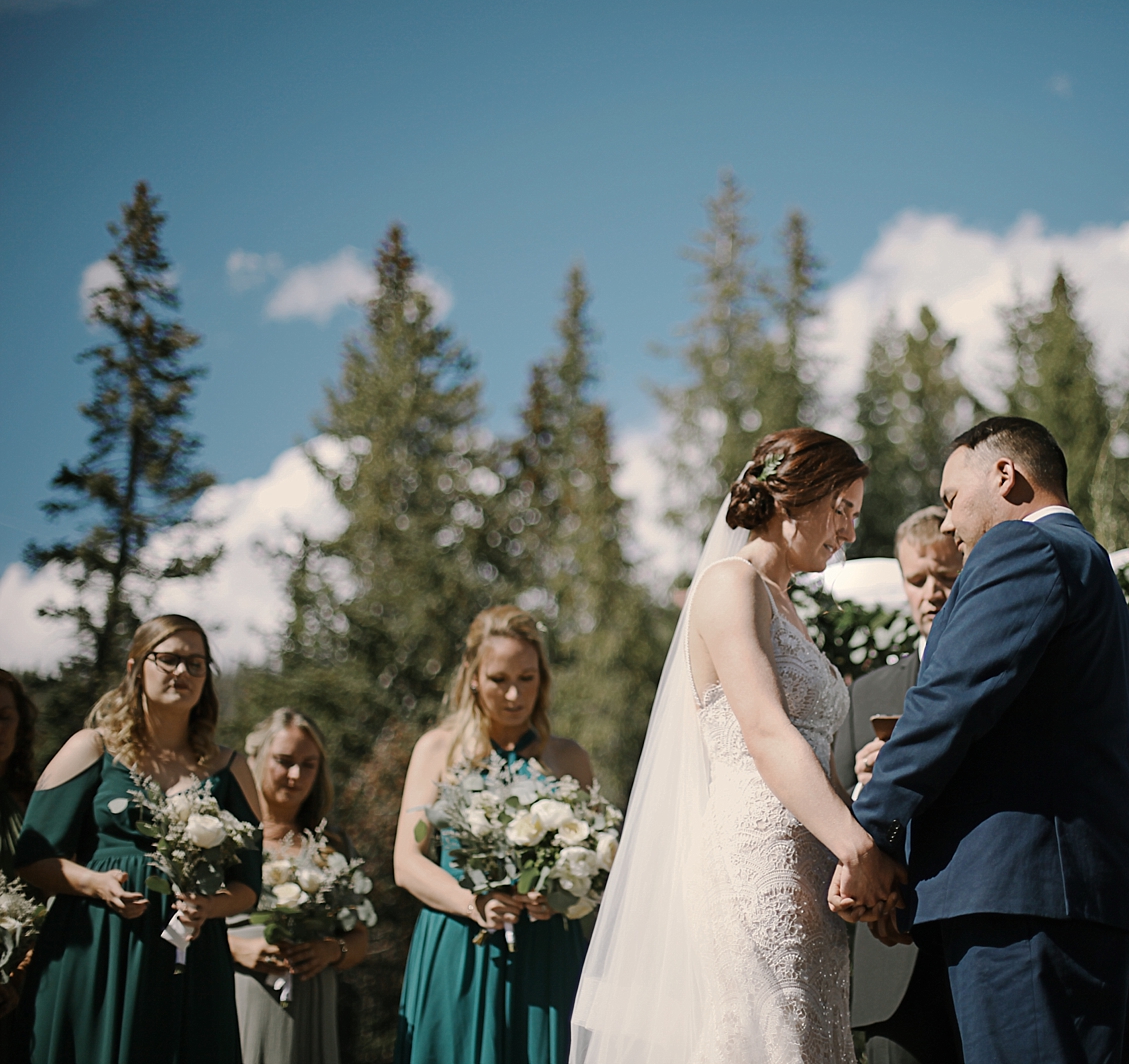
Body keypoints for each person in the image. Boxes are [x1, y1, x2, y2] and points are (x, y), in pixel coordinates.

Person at [836, 416, 1129, 1064]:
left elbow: (950, 698)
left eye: (951, 499)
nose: (947, 526)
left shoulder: (1023, 548)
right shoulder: (1086, 563)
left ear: (1005, 474)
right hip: (1068, 899)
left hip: (1024, 902)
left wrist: (870, 835)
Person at [573, 427, 875, 1064]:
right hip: (753, 861)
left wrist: (852, 821)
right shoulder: (728, 583)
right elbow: (765, 732)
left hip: (812, 860)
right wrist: (857, 845)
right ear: (795, 497)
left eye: (855, 514)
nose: (849, 531)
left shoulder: (788, 606)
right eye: (841, 509)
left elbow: (811, 749)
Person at [16, 614, 264, 1064]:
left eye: (196, 664)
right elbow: (32, 857)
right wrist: (93, 883)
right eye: (168, 659)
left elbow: (248, 886)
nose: (182, 672)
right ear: (135, 667)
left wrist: (210, 906)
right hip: (99, 944)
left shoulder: (230, 768)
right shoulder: (94, 748)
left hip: (192, 957)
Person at [392, 605, 592, 1064]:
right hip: (461, 941)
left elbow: (596, 869)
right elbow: (406, 861)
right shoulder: (438, 750)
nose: (514, 693)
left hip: (546, 951)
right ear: (473, 677)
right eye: (500, 679)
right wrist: (473, 902)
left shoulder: (568, 758)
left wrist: (561, 894)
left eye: (527, 677)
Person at [833, 507, 965, 1064]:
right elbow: (832, 813)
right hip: (892, 963)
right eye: (917, 580)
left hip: (978, 948)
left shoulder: (1005, 675)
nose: (931, 593)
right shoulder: (867, 692)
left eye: (947, 577)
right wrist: (866, 790)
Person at [230, 709, 369, 1064]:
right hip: (243, 996)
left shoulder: (332, 844)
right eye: (284, 761)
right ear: (257, 759)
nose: (296, 775)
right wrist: (236, 949)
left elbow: (360, 940)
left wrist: (330, 950)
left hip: (314, 1003)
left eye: (309, 764)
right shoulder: (228, 836)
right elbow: (182, 922)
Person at [0, 670, 41, 1052]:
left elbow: (48, 895)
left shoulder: (34, 803)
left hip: (18, 983)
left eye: (4, 716)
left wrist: (16, 972)